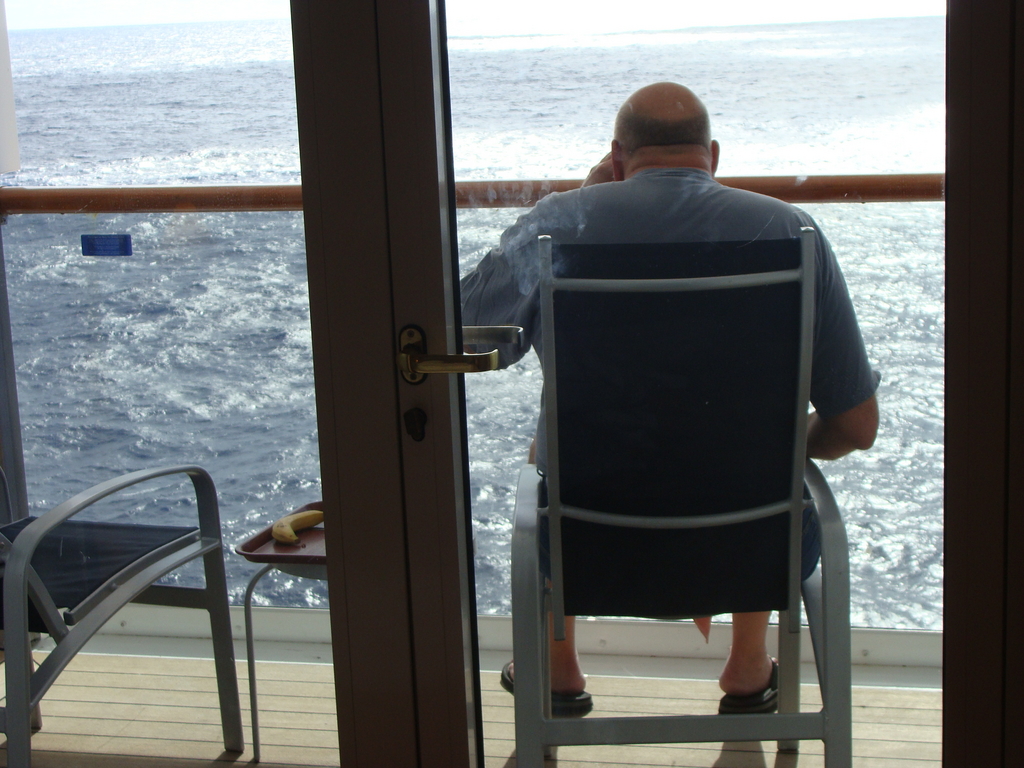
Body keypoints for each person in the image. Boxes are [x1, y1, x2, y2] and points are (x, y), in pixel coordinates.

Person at [461, 82, 879, 716]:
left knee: (550, 445)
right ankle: (746, 665)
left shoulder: (559, 223)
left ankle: (557, 665)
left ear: (617, 155)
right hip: (759, 548)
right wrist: (789, 443)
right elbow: (856, 424)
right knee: (753, 443)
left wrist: (583, 196)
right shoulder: (794, 232)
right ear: (712, 154)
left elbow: (459, 326)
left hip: (589, 546)